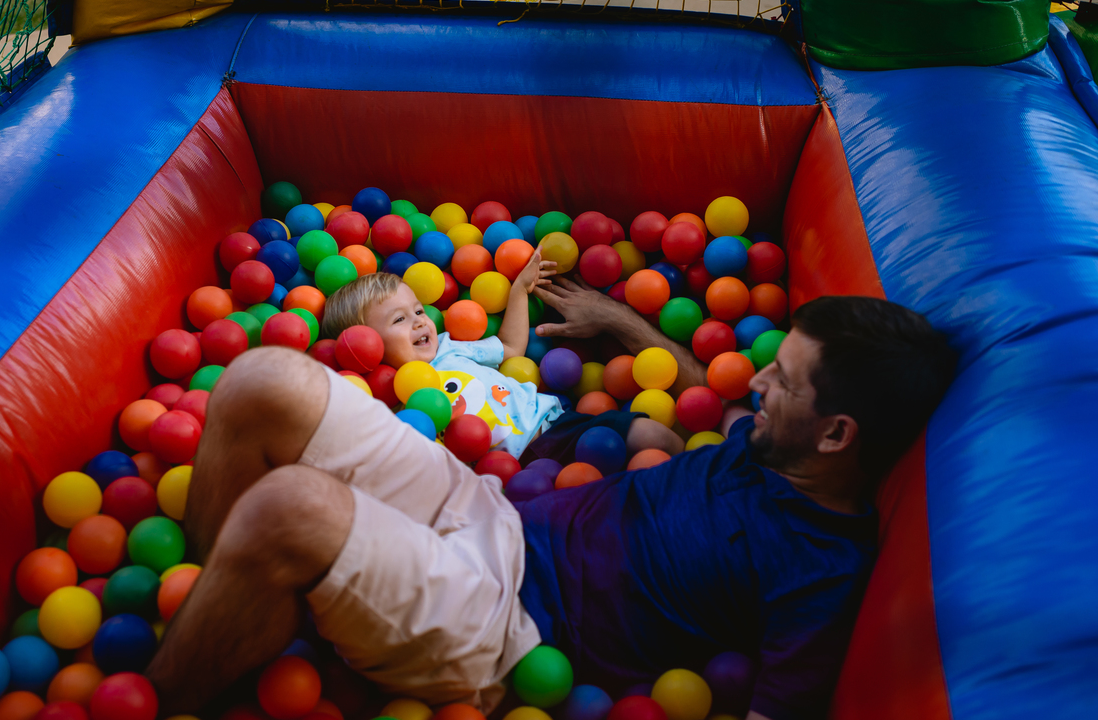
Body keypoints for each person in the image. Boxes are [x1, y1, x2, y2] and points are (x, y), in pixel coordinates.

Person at [146, 294, 956, 720]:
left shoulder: (818, 573)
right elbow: (706, 389)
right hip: (491, 508)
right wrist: (623, 322)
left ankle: (155, 692)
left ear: (838, 434)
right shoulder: (766, 443)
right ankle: (206, 596)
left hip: (509, 628)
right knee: (261, 379)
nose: (758, 379)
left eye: (783, 378)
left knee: (291, 505)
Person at [319, 264, 682, 460]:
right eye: (399, 320)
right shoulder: (384, 403)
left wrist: (518, 291)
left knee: (653, 438)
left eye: (418, 310)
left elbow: (510, 347)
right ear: (365, 348)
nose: (418, 321)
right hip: (508, 472)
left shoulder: (450, 348)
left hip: (556, 427)